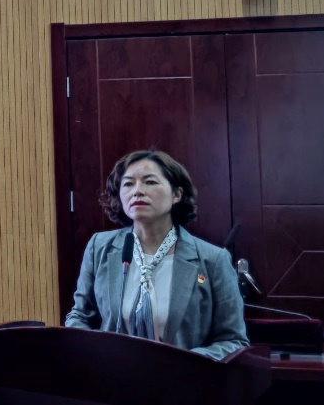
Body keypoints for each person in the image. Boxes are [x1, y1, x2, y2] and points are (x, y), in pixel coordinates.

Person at [64, 149, 249, 360]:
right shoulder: (100, 247)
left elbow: (233, 341)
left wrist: (185, 364)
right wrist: (92, 354)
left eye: (150, 182)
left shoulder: (213, 260)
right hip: (111, 376)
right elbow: (80, 316)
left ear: (176, 195)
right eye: (128, 184)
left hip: (181, 378)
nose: (137, 191)